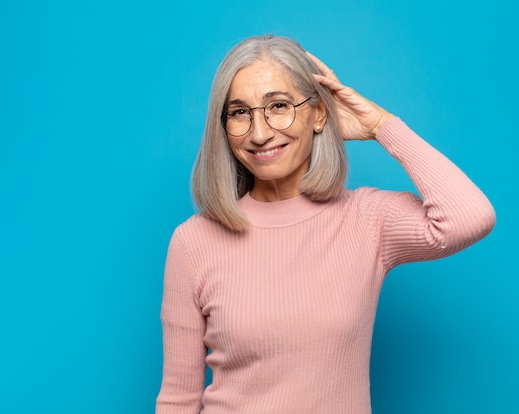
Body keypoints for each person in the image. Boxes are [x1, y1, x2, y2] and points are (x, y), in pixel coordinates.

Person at [155, 34, 496, 414]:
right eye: (239, 113)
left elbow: (471, 216)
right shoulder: (193, 241)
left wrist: (381, 125)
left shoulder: (366, 219)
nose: (259, 132)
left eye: (279, 106)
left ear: (319, 113)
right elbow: (178, 399)